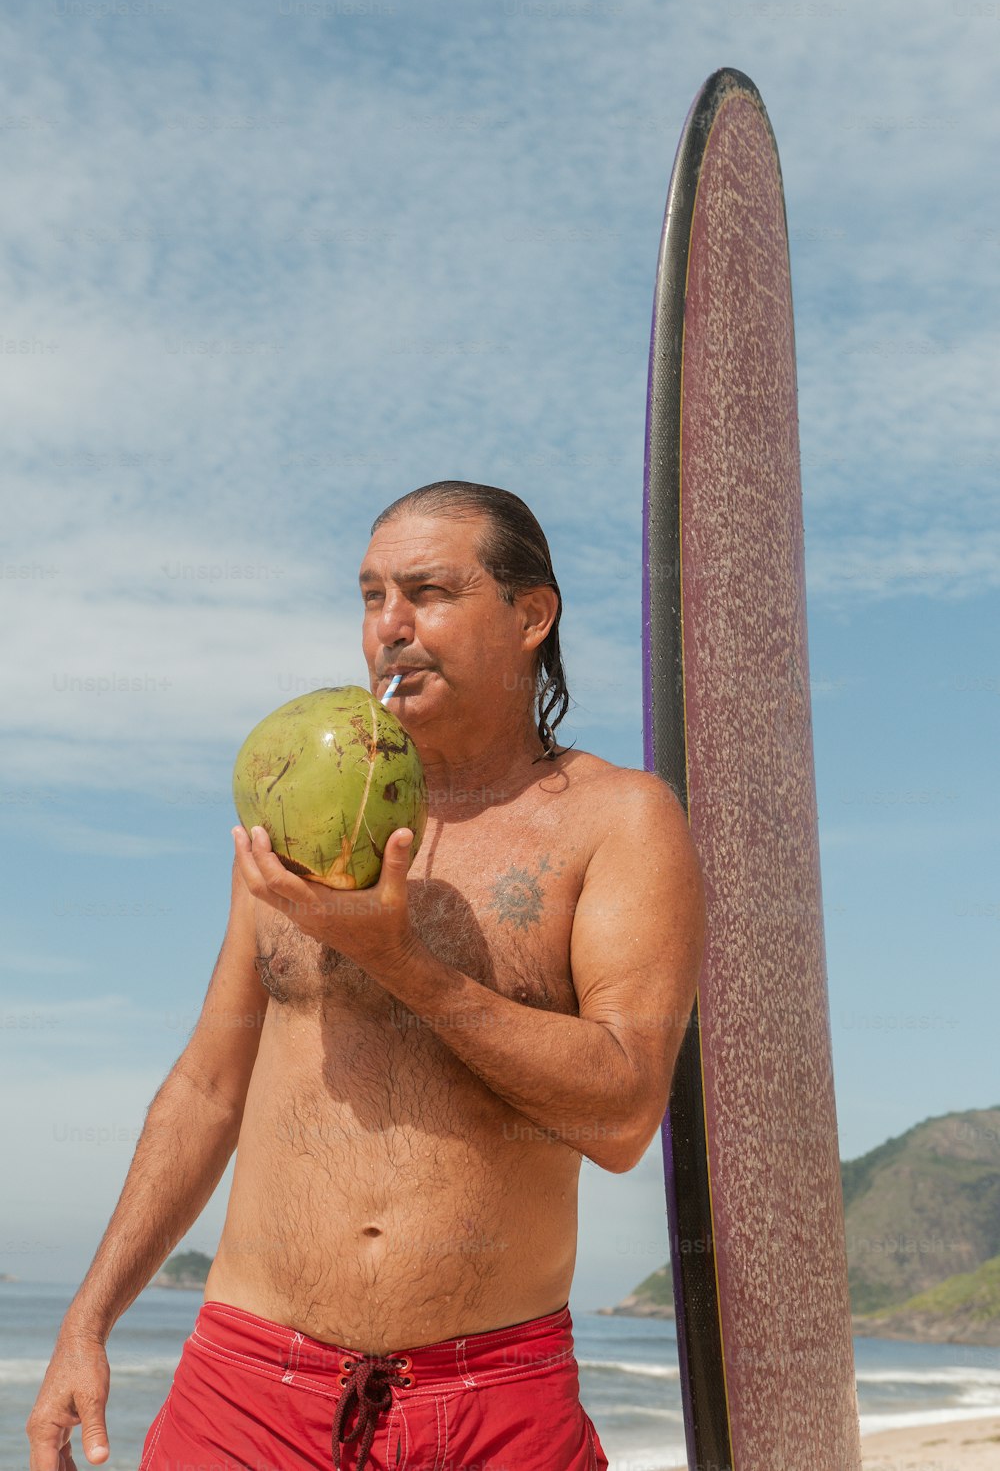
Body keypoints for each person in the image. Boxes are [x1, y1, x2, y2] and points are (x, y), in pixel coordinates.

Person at [27, 481, 706, 1471]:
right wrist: (85, 1322)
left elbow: (622, 1113)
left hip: (490, 1399)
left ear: (531, 614)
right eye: (369, 595)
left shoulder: (615, 822)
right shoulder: (298, 820)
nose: (390, 626)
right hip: (246, 1388)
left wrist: (406, 967)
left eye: (428, 592)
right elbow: (208, 1088)